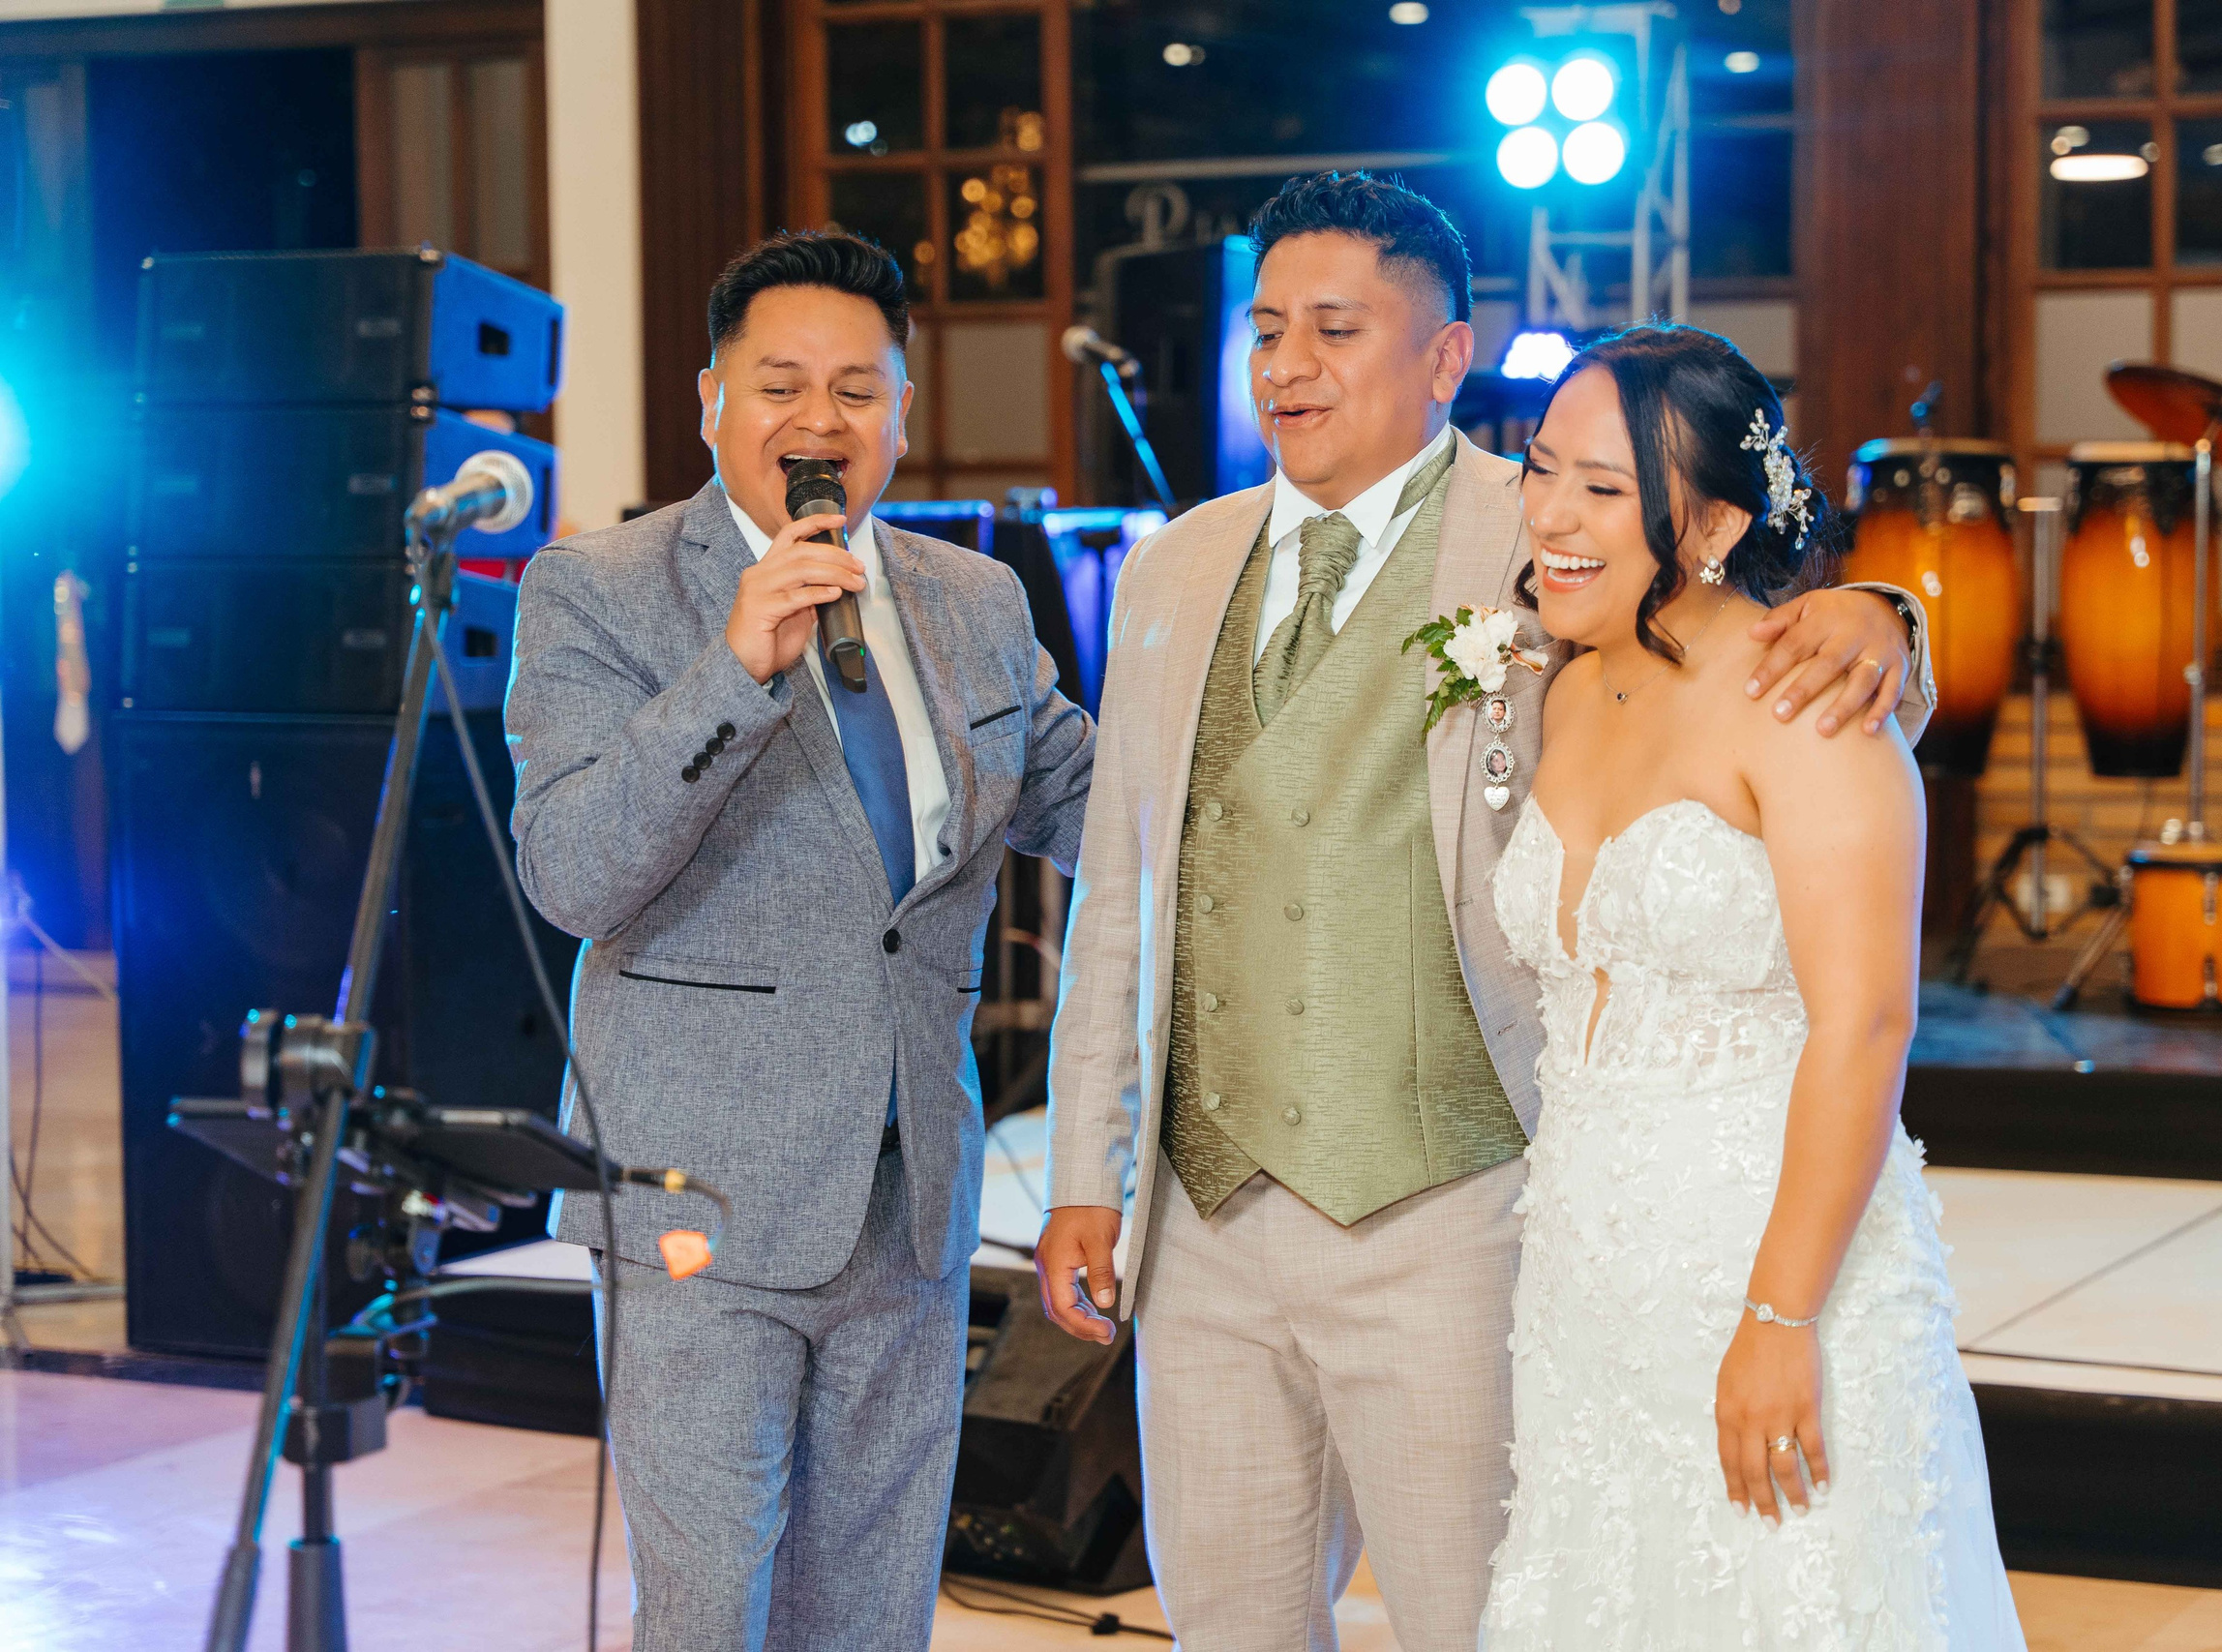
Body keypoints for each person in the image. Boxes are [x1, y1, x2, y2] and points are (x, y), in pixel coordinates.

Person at [1036, 170, 1937, 1651]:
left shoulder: (1545, 530)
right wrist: (1089, 1163)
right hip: (1197, 1224)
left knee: (1484, 1620)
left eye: (1335, 328)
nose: (1287, 366)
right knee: (1228, 1622)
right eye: (1268, 329)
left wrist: (1887, 614)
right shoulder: (1170, 567)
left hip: (1450, 1209)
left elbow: (1734, 627)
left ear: (1446, 358)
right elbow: (1125, 895)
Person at [505, 229, 1092, 1650]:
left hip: (910, 1199)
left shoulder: (977, 601)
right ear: (710, 400)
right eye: (780, 385)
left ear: (902, 410)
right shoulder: (599, 589)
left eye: (856, 389)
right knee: (711, 1613)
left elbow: (1101, 805)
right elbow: (570, 873)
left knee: (875, 1614)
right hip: (697, 1205)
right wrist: (736, 669)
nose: (818, 422)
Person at [1481, 323, 2024, 1646]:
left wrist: (1780, 1317)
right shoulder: (1547, 677)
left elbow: (1867, 1023)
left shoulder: (1811, 701)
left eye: (1602, 489)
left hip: (1778, 1267)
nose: (1552, 512)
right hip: (1586, 1285)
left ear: (1714, 520)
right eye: (1542, 468)